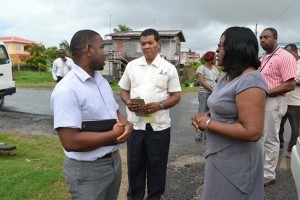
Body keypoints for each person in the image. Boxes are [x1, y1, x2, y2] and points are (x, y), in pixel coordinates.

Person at [50, 30, 133, 200]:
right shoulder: (67, 90)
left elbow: (115, 112)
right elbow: (70, 141)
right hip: (87, 171)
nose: (106, 52)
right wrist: (113, 134)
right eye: (102, 47)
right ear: (89, 49)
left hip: (113, 162)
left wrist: (126, 125)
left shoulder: (101, 81)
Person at [191, 26, 268, 200]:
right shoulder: (228, 77)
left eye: (221, 45)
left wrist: (209, 124)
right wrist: (207, 117)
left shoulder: (251, 80)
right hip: (220, 155)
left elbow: (253, 131)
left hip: (237, 163)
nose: (217, 50)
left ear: (236, 48)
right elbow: (223, 110)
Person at [118, 28, 181, 200]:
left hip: (159, 127)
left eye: (150, 43)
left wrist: (160, 105)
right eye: (143, 43)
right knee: (135, 167)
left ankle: (155, 197)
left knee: (157, 168)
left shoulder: (168, 68)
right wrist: (127, 101)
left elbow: (176, 96)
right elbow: (123, 91)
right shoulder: (132, 66)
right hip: (135, 126)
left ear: (158, 44)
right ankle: (135, 197)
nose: (146, 47)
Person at [259, 27, 297, 187]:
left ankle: (268, 174)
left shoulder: (285, 56)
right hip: (262, 101)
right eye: (260, 38)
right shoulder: (263, 57)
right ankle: (260, 170)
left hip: (274, 100)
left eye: (266, 37)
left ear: (275, 37)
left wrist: (266, 92)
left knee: (270, 139)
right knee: (260, 138)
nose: (262, 40)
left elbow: (290, 84)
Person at [278, 43, 300, 158]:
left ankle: (291, 148)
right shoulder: (286, 62)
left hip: (296, 102)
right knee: (279, 125)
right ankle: (279, 144)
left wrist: (289, 80)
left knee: (295, 128)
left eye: (288, 52)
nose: (286, 55)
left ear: (295, 52)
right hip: (283, 99)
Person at [194, 51, 218, 141]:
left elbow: (217, 79)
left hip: (213, 93)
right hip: (204, 93)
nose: (216, 59)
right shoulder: (201, 68)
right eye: (214, 58)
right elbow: (202, 81)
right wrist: (212, 90)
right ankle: (198, 135)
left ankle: (207, 134)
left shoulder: (215, 69)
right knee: (201, 113)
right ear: (210, 58)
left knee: (210, 113)